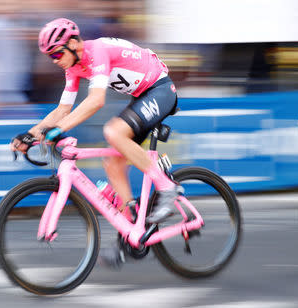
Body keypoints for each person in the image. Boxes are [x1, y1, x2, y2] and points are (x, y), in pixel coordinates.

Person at [11, 18, 180, 268]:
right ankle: (131, 234)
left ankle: (167, 187)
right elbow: (62, 109)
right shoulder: (74, 67)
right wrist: (31, 134)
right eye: (50, 57)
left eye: (57, 53)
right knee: (112, 164)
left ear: (72, 43)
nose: (55, 60)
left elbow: (96, 100)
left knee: (113, 132)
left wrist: (59, 130)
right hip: (141, 96)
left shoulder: (96, 51)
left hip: (160, 90)